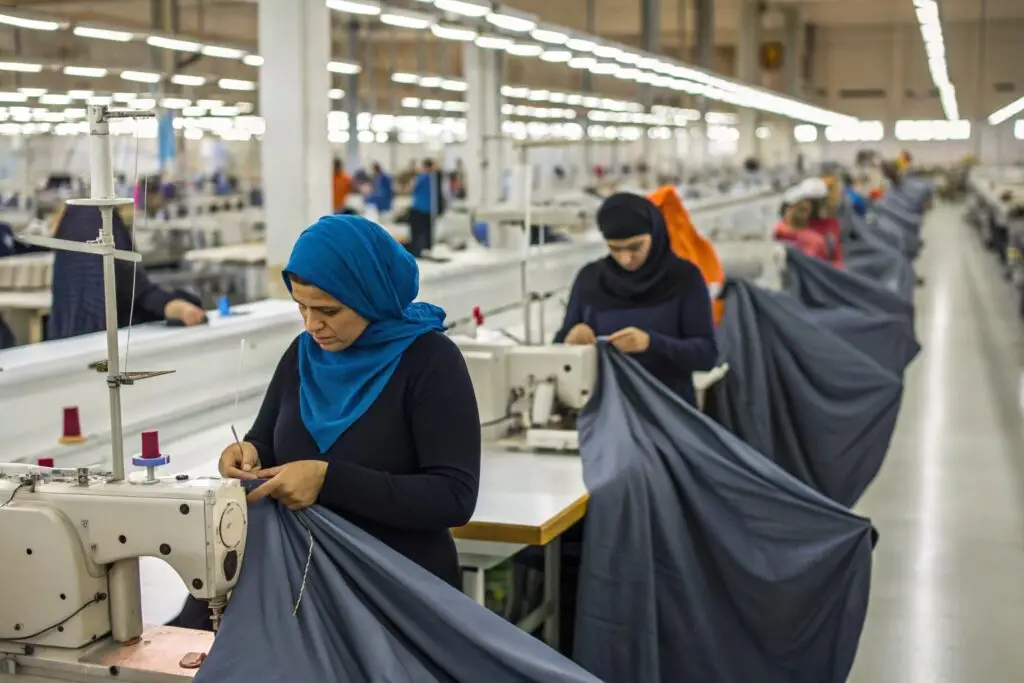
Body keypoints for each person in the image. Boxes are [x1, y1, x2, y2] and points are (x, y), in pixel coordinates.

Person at [192, 214, 479, 618]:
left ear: (370, 296)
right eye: (301, 308)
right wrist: (248, 451)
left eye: (327, 310)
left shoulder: (430, 361)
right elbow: (269, 441)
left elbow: (454, 498)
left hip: (401, 597)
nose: (312, 325)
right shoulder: (302, 355)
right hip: (308, 590)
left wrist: (328, 479)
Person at [554, 192, 718, 406]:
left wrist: (651, 343)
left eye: (635, 247)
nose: (626, 258)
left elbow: (706, 355)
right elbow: (558, 348)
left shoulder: (684, 278)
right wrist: (570, 339)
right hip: (607, 408)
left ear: (655, 234)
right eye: (615, 248)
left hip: (668, 410)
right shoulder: (590, 280)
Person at [48, 205, 206, 340]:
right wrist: (177, 307)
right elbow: (138, 289)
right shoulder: (96, 220)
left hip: (68, 344)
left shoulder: (72, 228)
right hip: (110, 345)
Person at [775, 185, 832, 263]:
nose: (805, 204)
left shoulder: (816, 240)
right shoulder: (776, 232)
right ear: (787, 208)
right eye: (799, 203)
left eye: (806, 203)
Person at [408, 159, 444, 258]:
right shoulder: (435, 178)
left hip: (419, 208)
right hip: (430, 210)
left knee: (417, 232)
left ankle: (417, 252)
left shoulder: (421, 178)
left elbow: (412, 189)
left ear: (424, 166)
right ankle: (427, 249)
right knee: (428, 231)